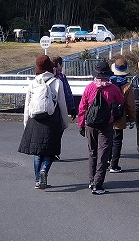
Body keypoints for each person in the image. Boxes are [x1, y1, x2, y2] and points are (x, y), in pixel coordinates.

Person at [18, 54, 69, 189]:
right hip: (52, 120)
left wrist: (26, 123)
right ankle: (44, 170)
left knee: (37, 152)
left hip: (35, 121)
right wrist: (65, 122)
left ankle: (37, 181)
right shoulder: (57, 82)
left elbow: (27, 106)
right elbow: (62, 104)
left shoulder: (32, 83)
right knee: (50, 151)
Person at [78, 59, 125, 195]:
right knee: (103, 154)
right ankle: (97, 184)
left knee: (92, 152)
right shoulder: (113, 88)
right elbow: (120, 100)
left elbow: (82, 107)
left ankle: (91, 180)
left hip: (90, 124)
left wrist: (81, 124)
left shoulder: (89, 87)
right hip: (106, 124)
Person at [108, 57, 136, 173]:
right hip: (120, 116)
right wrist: (132, 118)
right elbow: (130, 105)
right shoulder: (127, 86)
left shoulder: (107, 82)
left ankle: (106, 161)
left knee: (106, 139)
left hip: (106, 116)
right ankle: (114, 165)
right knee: (117, 140)